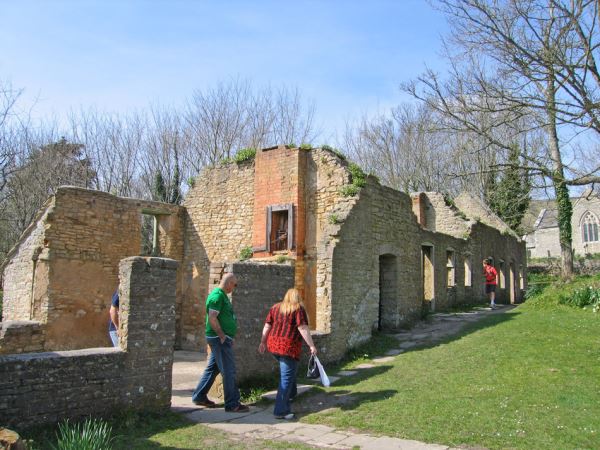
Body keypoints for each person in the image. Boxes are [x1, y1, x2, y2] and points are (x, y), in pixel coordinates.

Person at [191, 273, 249, 412]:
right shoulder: (217, 296)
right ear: (228, 283)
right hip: (219, 339)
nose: (234, 288)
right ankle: (232, 404)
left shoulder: (222, 296)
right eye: (234, 285)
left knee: (213, 368)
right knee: (229, 371)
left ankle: (199, 396)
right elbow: (212, 318)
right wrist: (222, 335)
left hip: (221, 339)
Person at [258, 288, 318, 420]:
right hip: (288, 348)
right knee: (286, 378)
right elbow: (302, 327)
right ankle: (281, 411)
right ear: (298, 298)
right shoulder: (298, 309)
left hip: (273, 346)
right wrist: (311, 345)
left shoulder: (275, 307)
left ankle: (291, 395)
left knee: (290, 371)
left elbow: (267, 325)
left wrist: (263, 342)